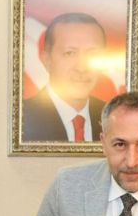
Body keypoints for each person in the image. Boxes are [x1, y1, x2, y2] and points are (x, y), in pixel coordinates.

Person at [22, 12, 107, 142]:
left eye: (93, 54)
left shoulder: (112, 117)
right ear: (46, 60)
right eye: (70, 53)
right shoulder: (22, 118)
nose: (82, 68)